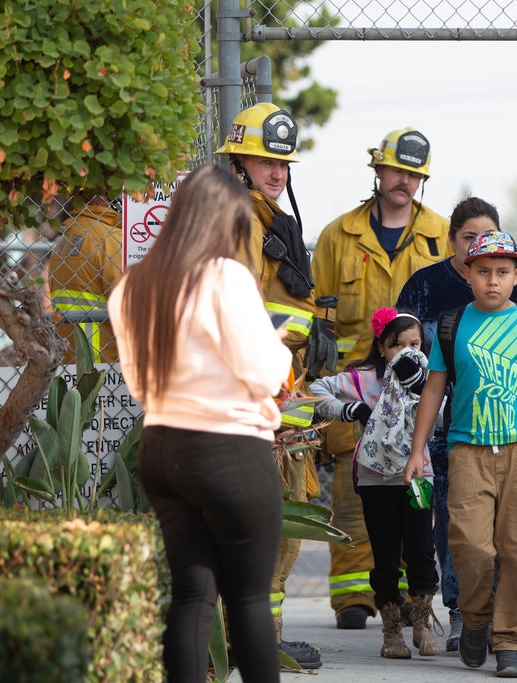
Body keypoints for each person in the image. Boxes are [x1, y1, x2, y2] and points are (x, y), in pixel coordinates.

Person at [107, 164, 290, 683]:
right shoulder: (224, 276)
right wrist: (279, 353)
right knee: (249, 598)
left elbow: (140, 383)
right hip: (228, 449)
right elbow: (261, 371)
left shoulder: (132, 287)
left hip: (162, 447)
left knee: (192, 596)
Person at [405, 230, 517, 679]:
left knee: (516, 551)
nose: (492, 281)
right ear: (468, 273)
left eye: (502, 272)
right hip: (467, 450)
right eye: (483, 272)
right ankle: (477, 620)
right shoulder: (452, 323)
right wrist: (417, 450)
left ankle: (512, 641)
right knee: (471, 546)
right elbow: (434, 388)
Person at [311, 127, 450, 630]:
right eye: (397, 170)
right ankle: (354, 598)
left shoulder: (440, 233)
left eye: (414, 174)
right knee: (353, 506)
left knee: (416, 511)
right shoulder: (336, 236)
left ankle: (416, 601)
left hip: (418, 399)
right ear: (377, 170)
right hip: (360, 391)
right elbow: (317, 322)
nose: (405, 181)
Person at [215, 101, 322, 668]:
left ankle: (263, 635)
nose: (277, 172)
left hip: (280, 394)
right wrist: (303, 333)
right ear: (239, 162)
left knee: (283, 529)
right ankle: (246, 638)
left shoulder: (270, 218)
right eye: (263, 160)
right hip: (253, 397)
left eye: (282, 162)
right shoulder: (238, 220)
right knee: (265, 528)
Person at [310, 307, 441, 660]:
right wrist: (347, 411)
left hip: (418, 478)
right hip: (374, 480)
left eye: (415, 343)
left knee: (421, 549)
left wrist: (422, 388)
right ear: (381, 347)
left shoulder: (430, 377)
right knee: (383, 554)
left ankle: (423, 622)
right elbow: (316, 389)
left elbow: (444, 416)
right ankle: (391, 631)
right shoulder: (364, 378)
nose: (407, 351)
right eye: (397, 344)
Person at [47, 195, 123, 364]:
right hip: (111, 368)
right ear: (105, 198)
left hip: (73, 366)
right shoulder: (111, 240)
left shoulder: (65, 240)